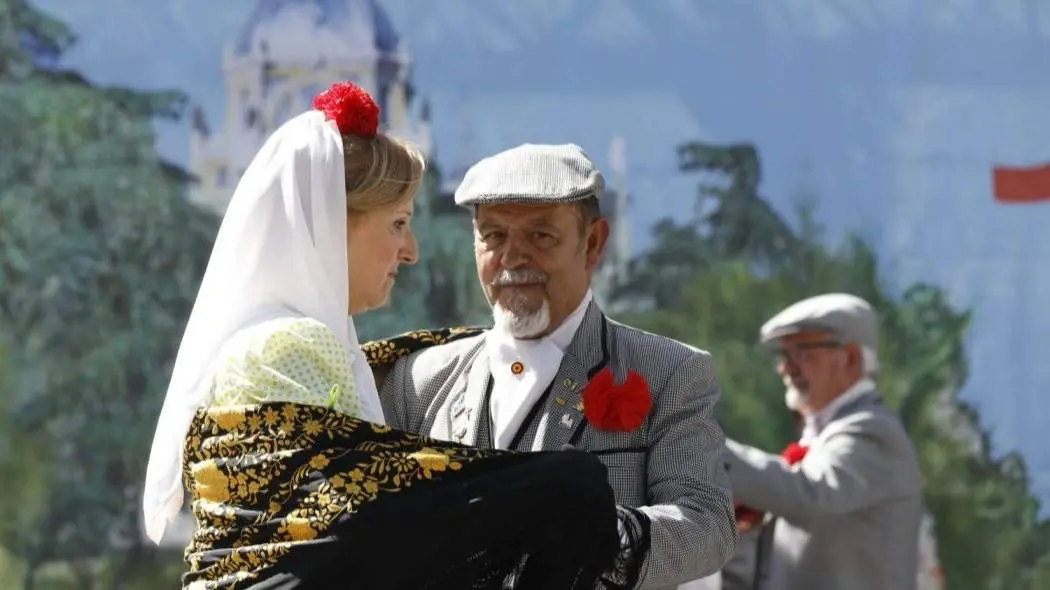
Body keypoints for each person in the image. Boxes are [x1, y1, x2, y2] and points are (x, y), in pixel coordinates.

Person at [142, 81, 623, 589]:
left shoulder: (303, 340)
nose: (410, 249)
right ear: (332, 225)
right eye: (397, 224)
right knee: (569, 485)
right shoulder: (285, 344)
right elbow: (342, 523)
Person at [376, 142, 737, 589]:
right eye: (494, 236)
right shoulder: (418, 380)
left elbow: (708, 524)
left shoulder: (669, 372)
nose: (512, 257)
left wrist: (603, 533)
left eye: (540, 236)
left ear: (593, 244)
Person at [723, 293, 923, 590]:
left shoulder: (874, 432)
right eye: (784, 356)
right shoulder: (828, 433)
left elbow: (807, 491)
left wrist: (701, 449)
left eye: (801, 353)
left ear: (851, 359)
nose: (786, 369)